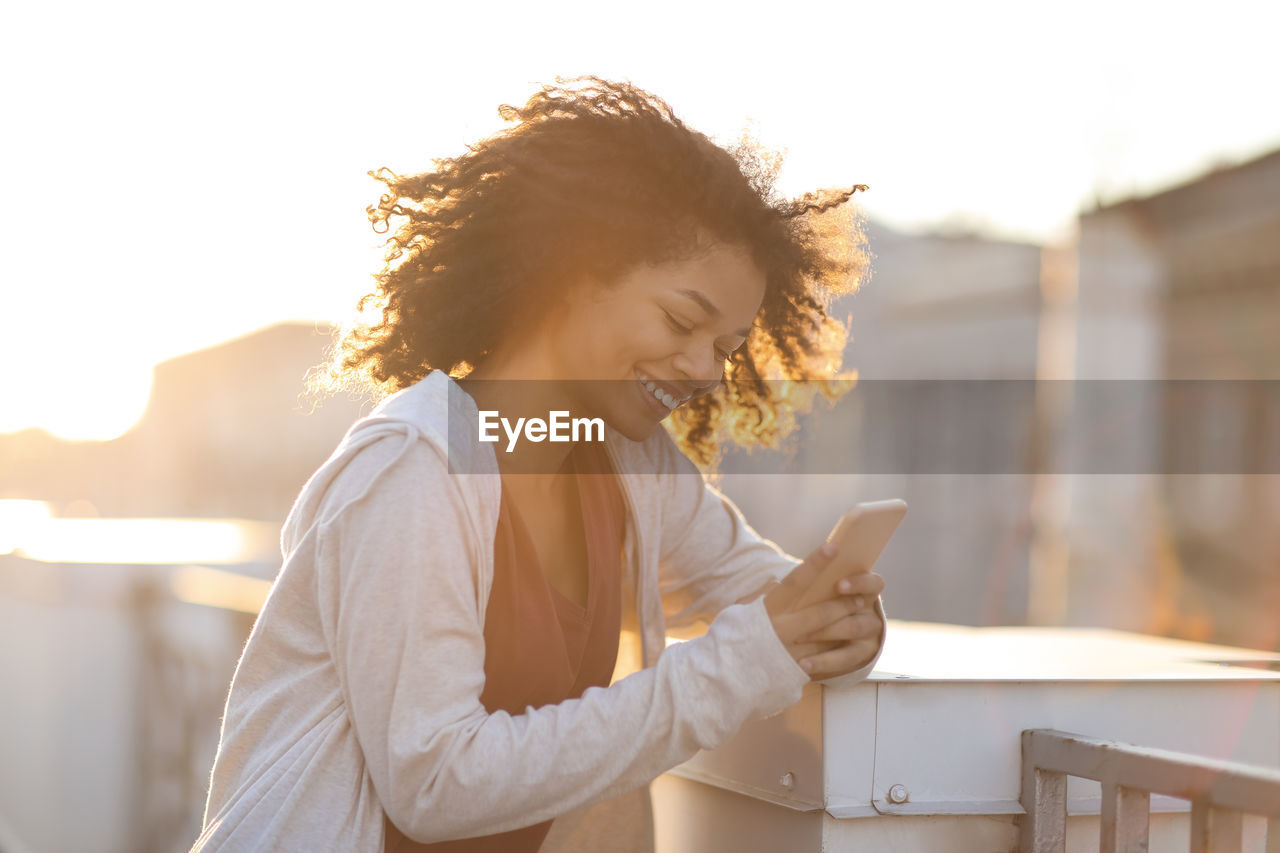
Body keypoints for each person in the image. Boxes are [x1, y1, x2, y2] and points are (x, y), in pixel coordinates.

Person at [191, 76, 887, 852]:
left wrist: (844, 619)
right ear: (574, 270)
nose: (701, 368)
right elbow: (434, 783)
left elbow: (759, 592)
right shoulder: (413, 473)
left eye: (725, 350)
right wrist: (740, 666)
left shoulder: (626, 462)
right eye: (681, 320)